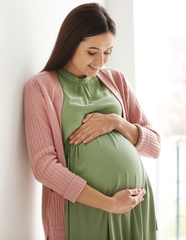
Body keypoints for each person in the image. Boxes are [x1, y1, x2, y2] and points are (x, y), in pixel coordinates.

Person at [24, 3, 161, 240]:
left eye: (108, 52)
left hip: (134, 208)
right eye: (92, 52)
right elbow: (44, 167)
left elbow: (155, 146)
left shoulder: (116, 80)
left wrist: (115, 122)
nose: (101, 61)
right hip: (84, 212)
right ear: (70, 43)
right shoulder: (41, 87)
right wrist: (109, 203)